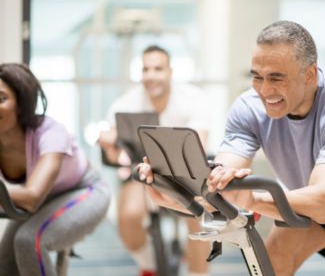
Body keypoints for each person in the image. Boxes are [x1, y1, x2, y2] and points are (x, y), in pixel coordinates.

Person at [138, 21, 325, 275]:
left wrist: (250, 199)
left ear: (310, 74)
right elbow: (223, 179)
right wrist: (178, 193)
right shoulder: (249, 108)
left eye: (277, 78)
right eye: (257, 76)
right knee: (273, 262)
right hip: (323, 193)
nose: (264, 90)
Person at [98, 45, 211, 276]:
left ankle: (197, 272)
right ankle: (149, 266)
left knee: (199, 219)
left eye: (157, 69)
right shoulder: (124, 104)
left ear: (170, 71)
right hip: (142, 173)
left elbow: (200, 144)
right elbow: (114, 157)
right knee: (128, 217)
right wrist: (108, 144)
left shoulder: (194, 99)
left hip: (184, 173)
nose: (151, 75)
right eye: (145, 69)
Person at [0, 63, 110, 276]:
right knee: (4, 263)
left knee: (29, 241)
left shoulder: (51, 132)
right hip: (47, 199)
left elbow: (32, 197)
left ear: (21, 105)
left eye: (0, 98)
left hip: (86, 190)